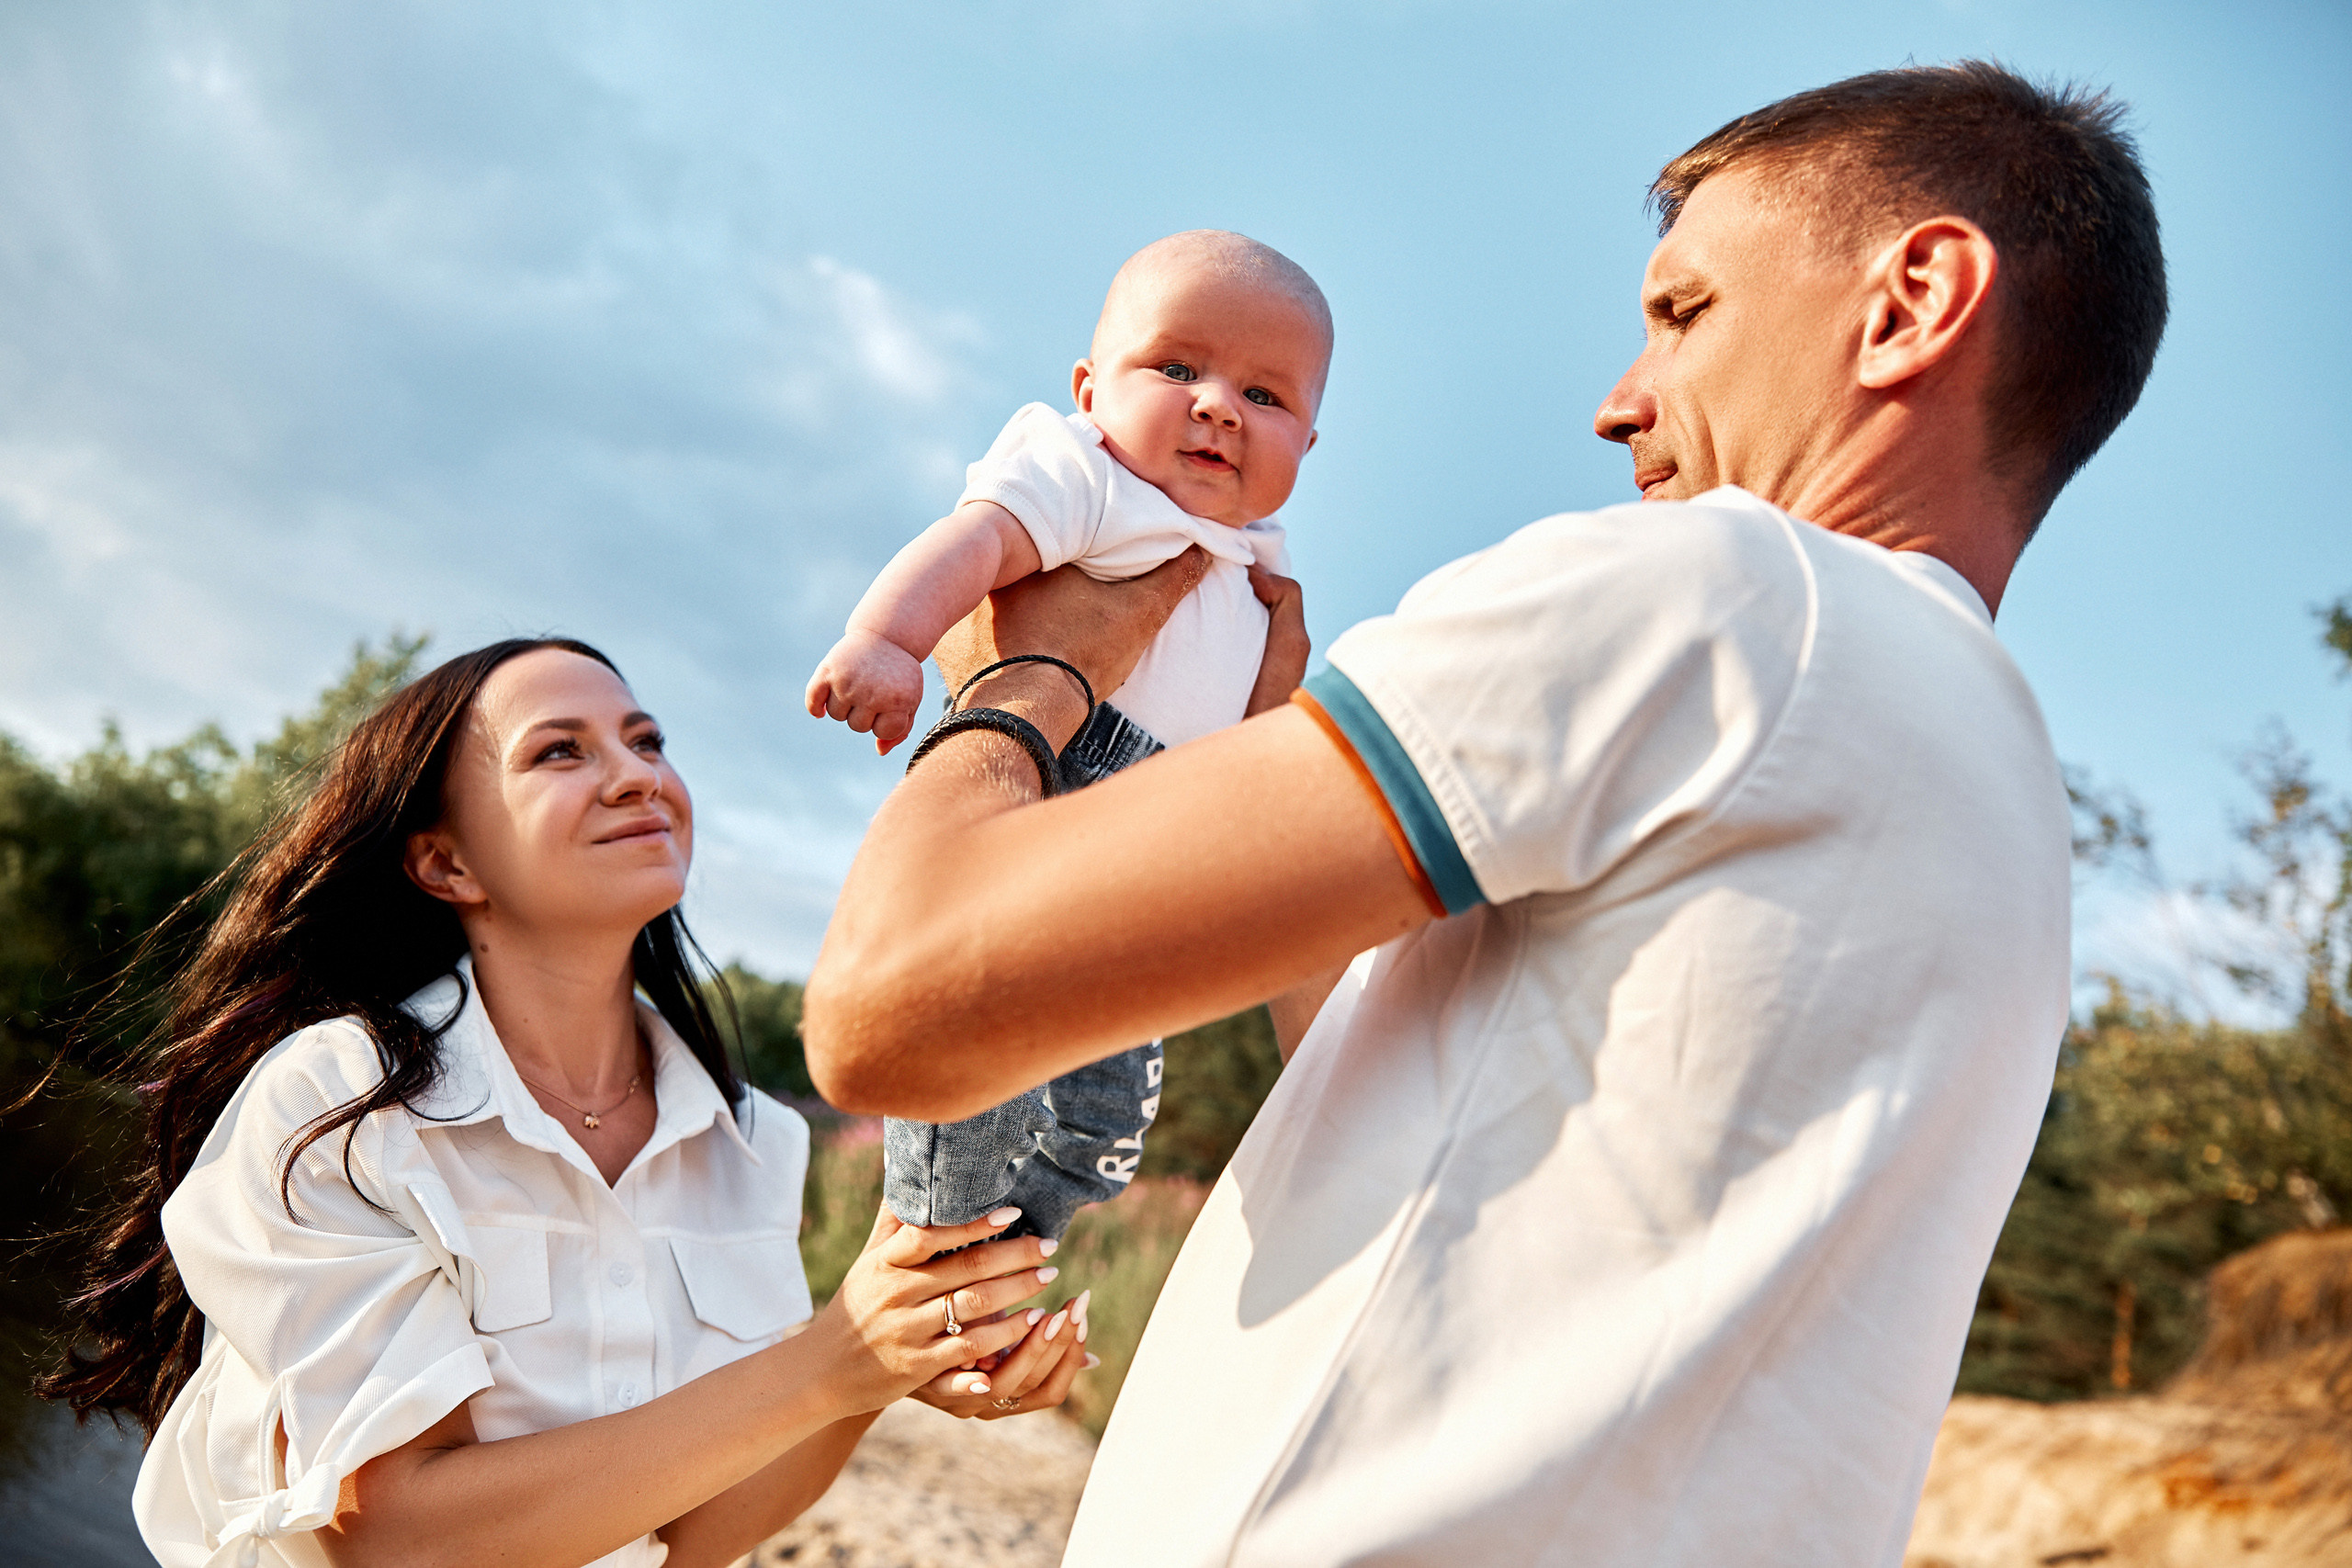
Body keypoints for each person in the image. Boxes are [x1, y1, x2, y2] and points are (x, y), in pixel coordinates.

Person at [800, 60, 2167, 1567]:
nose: (1618, 401)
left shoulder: (1719, 596)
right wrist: (1259, 761)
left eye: (1684, 310)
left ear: (1915, 299)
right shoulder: (2003, 802)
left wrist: (1031, 675)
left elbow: (892, 1005)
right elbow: (1405, 1079)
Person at [42, 637, 1091, 1568]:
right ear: (445, 862)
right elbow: (398, 1535)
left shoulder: (753, 1139)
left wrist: (879, 1372)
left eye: (646, 741)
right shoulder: (339, 1099)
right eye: (561, 751)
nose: (636, 775)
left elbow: (699, 1532)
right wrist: (833, 1360)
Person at [806, 230, 1327, 1244]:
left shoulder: (1254, 557)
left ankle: (1021, 1240)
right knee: (980, 1026)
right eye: (1175, 369)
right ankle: (936, 1231)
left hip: (1163, 829)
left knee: (1107, 1102)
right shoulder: (1090, 477)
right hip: (1057, 775)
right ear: (1091, 391)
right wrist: (888, 640)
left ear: (1307, 446)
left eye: (1266, 397)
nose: (1218, 404)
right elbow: (978, 538)